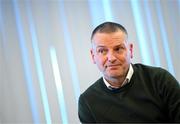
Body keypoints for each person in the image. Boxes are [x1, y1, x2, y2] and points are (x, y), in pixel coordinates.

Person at [78, 22, 180, 123]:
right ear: (93, 56)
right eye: (102, 51)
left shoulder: (160, 80)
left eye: (118, 49)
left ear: (130, 50)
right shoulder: (87, 102)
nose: (111, 58)